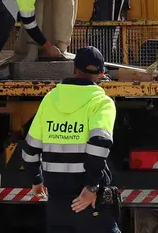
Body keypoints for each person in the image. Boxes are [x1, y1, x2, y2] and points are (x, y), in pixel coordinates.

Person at [21, 46, 120, 232]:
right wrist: (91, 188)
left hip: (57, 202)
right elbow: (99, 145)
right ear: (101, 74)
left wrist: (36, 180)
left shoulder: (50, 99)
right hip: (86, 201)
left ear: (74, 69)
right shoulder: (101, 102)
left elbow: (29, 150)